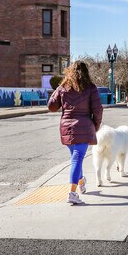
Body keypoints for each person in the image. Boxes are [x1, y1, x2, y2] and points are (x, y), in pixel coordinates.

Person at [48, 62, 103, 205]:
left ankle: (81, 181)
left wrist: (60, 87)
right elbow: (98, 110)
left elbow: (51, 106)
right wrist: (95, 126)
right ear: (86, 73)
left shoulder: (63, 88)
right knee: (77, 159)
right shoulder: (91, 88)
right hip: (84, 127)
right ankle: (72, 193)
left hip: (66, 127)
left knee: (75, 158)